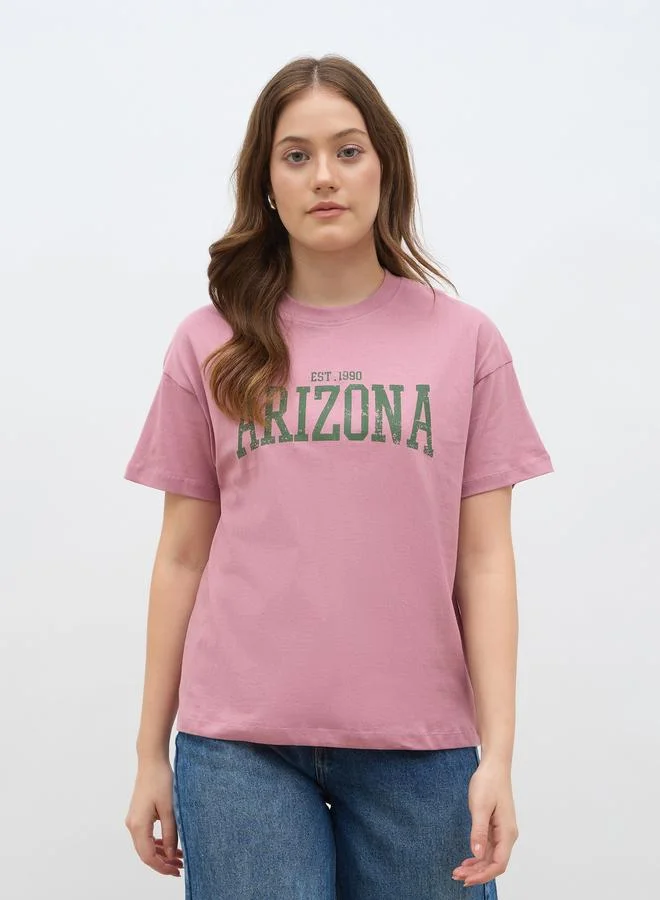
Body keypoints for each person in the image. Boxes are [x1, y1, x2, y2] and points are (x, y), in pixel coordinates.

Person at [123, 53, 554, 899]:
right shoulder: (208, 342)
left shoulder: (464, 342)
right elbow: (180, 557)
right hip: (238, 748)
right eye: (297, 155)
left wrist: (499, 755)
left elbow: (485, 561)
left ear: (385, 168)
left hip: (421, 747)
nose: (324, 176)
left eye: (348, 151)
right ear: (267, 182)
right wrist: (148, 753)